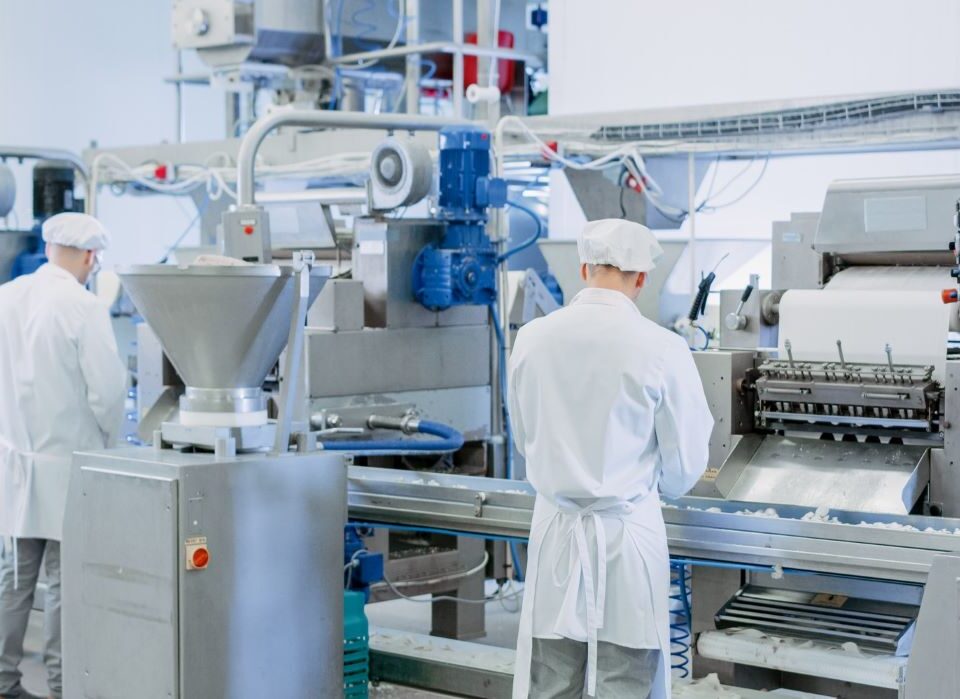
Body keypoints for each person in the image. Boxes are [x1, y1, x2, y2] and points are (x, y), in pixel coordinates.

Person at [509, 219, 714, 699]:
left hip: (556, 538)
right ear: (641, 278)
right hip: (626, 547)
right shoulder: (662, 348)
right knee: (625, 681)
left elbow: (524, 440)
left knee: (553, 683)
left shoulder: (532, 339)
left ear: (584, 267)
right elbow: (684, 467)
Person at [0, 213, 126, 699]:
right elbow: (109, 393)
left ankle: (5, 681)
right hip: (69, 472)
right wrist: (111, 441)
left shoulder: (7, 297)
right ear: (91, 257)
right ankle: (63, 686)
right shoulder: (83, 306)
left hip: (14, 471)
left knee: (12, 581)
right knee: (65, 586)